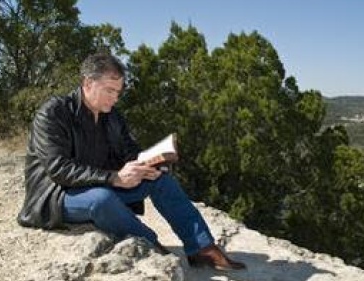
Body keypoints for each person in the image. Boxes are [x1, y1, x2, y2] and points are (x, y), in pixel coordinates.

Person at [17, 53, 246, 271]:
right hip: (58, 196)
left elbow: (129, 153)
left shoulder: (112, 116)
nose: (115, 98)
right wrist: (114, 178)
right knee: (102, 199)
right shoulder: (53, 113)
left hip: (100, 184)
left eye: (118, 92)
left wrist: (150, 164)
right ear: (88, 84)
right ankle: (151, 246)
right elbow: (59, 169)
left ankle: (201, 248)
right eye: (109, 91)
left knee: (162, 181)